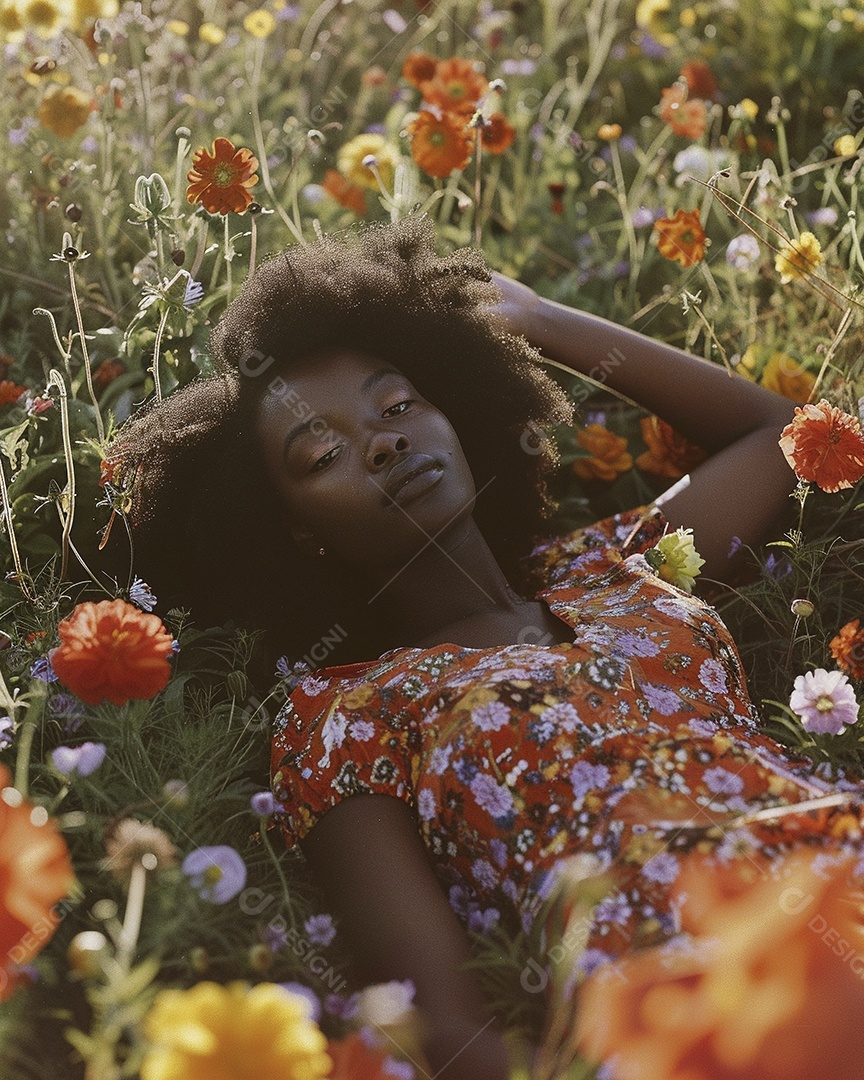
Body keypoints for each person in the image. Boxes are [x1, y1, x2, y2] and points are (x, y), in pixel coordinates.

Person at [105, 218, 861, 1079]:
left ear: (457, 416)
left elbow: (785, 434)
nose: (384, 442)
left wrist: (538, 318)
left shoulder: (605, 569)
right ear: (296, 534)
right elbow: (445, 1024)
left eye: (399, 405)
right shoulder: (346, 717)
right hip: (702, 999)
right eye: (324, 455)